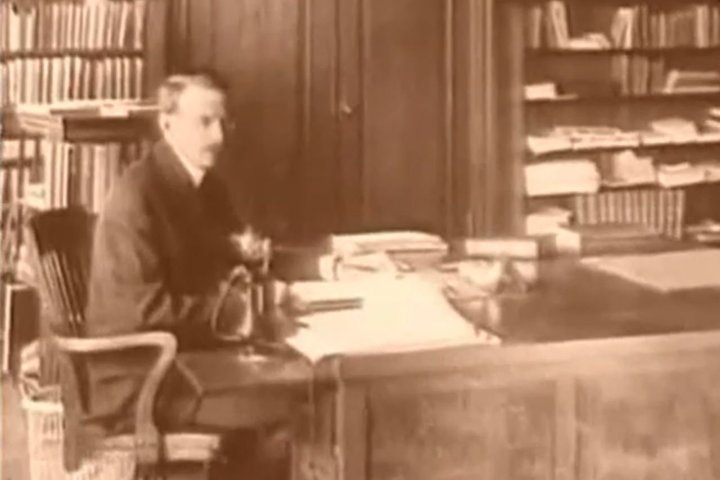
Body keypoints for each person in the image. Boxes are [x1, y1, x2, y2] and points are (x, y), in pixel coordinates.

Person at [82, 72, 294, 479]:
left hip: (193, 359)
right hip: (141, 379)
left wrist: (257, 263)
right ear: (167, 123)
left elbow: (234, 257)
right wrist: (236, 313)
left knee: (299, 397)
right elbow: (141, 310)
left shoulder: (208, 188)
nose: (218, 136)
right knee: (290, 413)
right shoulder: (137, 194)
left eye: (223, 122)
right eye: (205, 122)